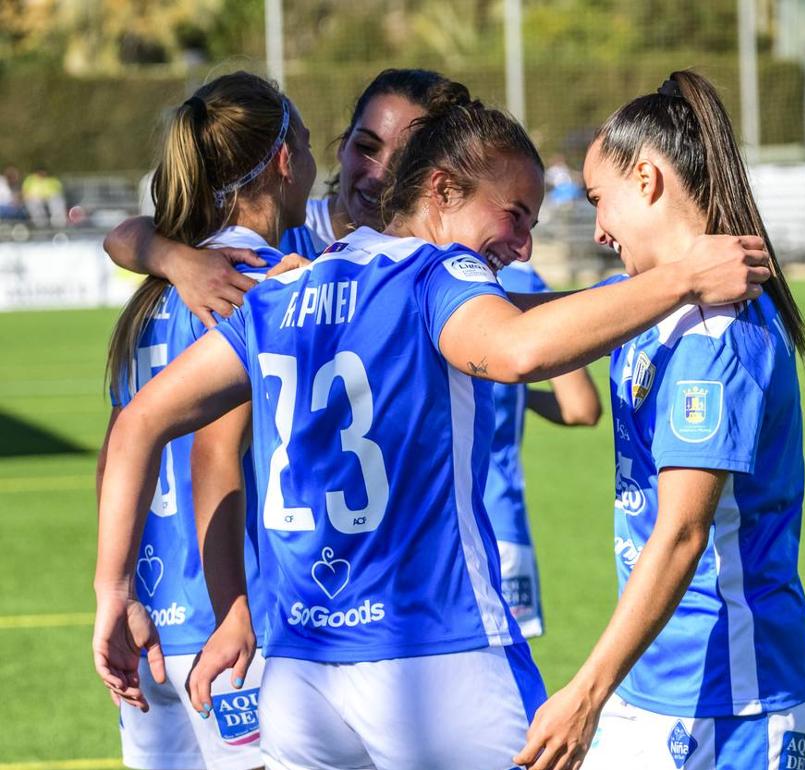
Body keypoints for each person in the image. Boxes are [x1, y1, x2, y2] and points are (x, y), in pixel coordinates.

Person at [93, 79, 770, 769]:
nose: (524, 246)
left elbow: (138, 423)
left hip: (302, 679)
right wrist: (681, 281)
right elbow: (518, 349)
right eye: (514, 215)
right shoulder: (436, 275)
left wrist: (111, 593)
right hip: (435, 661)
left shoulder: (286, 290)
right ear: (442, 193)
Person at [512, 70, 805, 770]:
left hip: (727, 699)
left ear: (647, 180)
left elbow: (683, 533)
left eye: (599, 201)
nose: (596, 228)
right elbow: (527, 327)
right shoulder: (650, 301)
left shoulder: (715, 336)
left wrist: (585, 693)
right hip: (661, 683)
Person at [94, 71, 317, 770]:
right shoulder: (255, 282)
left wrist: (117, 588)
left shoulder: (160, 289)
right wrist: (233, 609)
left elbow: (117, 449)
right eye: (308, 144)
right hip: (229, 621)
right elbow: (211, 457)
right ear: (285, 161)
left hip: (148, 613)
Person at [105, 68, 448, 327]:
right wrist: (177, 260)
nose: (379, 173)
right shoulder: (278, 238)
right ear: (343, 145)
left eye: (405, 157)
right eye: (366, 147)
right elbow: (121, 238)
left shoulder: (432, 256)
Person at [489, 261, 601, 639]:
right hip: (501, 519)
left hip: (427, 525)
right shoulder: (522, 279)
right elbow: (579, 407)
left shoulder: (417, 270)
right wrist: (516, 394)